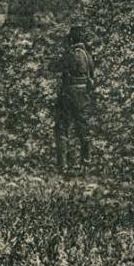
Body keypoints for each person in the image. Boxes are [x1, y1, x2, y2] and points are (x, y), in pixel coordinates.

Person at [53, 25, 95, 172]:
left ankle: (63, 165)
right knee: (83, 125)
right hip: (83, 93)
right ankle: (86, 163)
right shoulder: (87, 55)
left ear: (71, 39)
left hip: (69, 92)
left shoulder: (71, 54)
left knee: (62, 126)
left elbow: (56, 67)